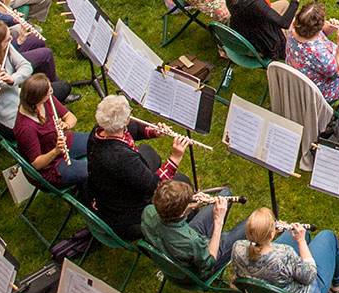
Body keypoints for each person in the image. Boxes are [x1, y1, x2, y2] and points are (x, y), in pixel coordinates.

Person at [85, 95, 187, 241]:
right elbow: (154, 186)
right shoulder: (121, 157)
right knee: (181, 182)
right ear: (124, 121)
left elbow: (131, 129)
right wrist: (175, 157)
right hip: (125, 213)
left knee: (148, 152)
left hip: (109, 191)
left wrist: (154, 131)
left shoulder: (100, 130)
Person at [143, 175, 248, 275]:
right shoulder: (192, 241)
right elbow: (210, 262)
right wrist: (218, 221)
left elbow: (174, 219)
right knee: (252, 223)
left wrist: (190, 206)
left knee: (225, 193)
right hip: (197, 269)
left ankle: (226, 193)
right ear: (180, 212)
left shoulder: (148, 212)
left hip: (176, 247)